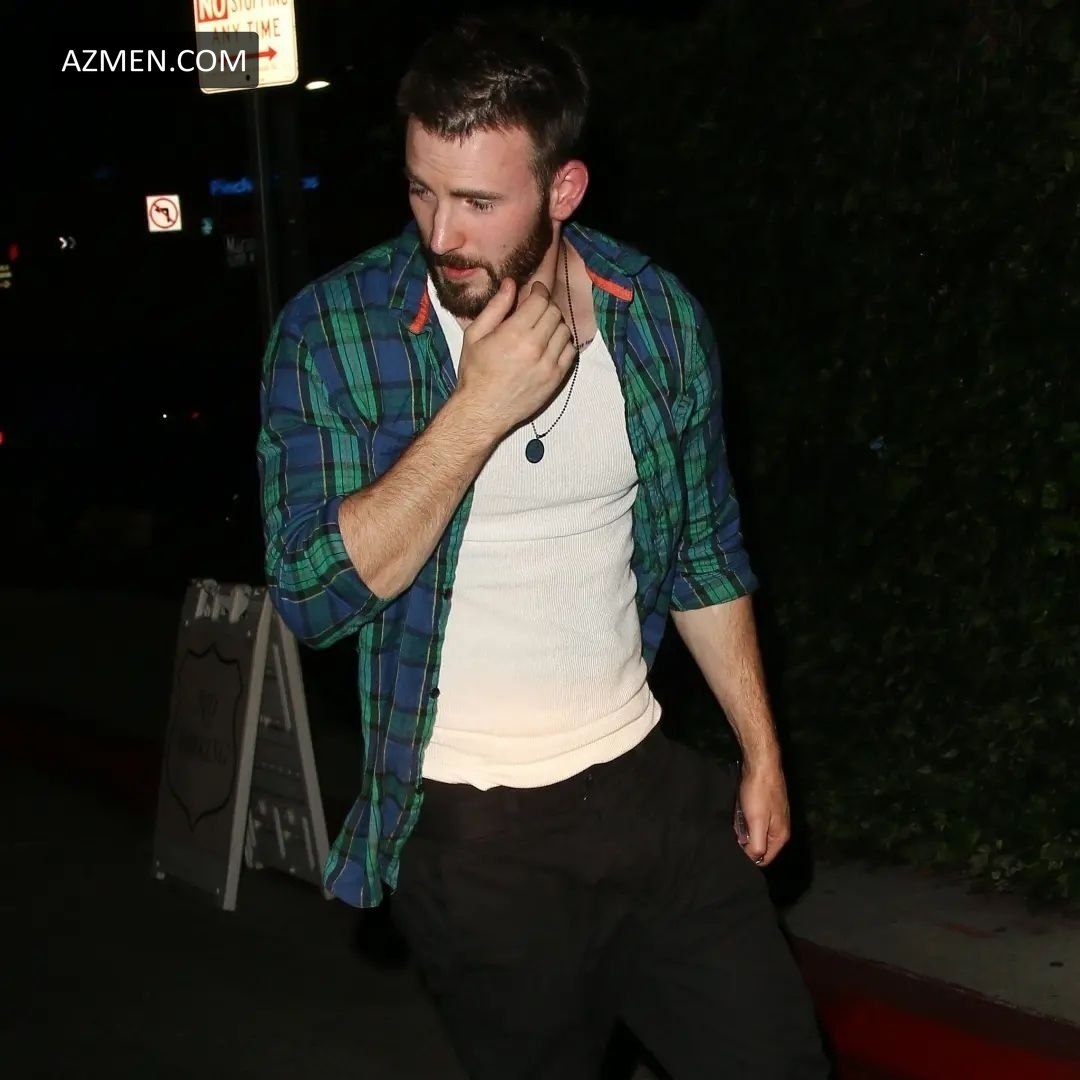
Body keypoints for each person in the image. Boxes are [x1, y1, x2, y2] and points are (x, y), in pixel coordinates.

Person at [257, 15, 831, 1080]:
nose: (442, 232)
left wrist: (761, 750)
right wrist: (477, 409)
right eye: (421, 190)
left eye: (479, 202)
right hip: (474, 833)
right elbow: (313, 595)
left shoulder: (654, 318)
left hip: (647, 789)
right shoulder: (333, 334)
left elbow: (704, 552)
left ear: (563, 189)